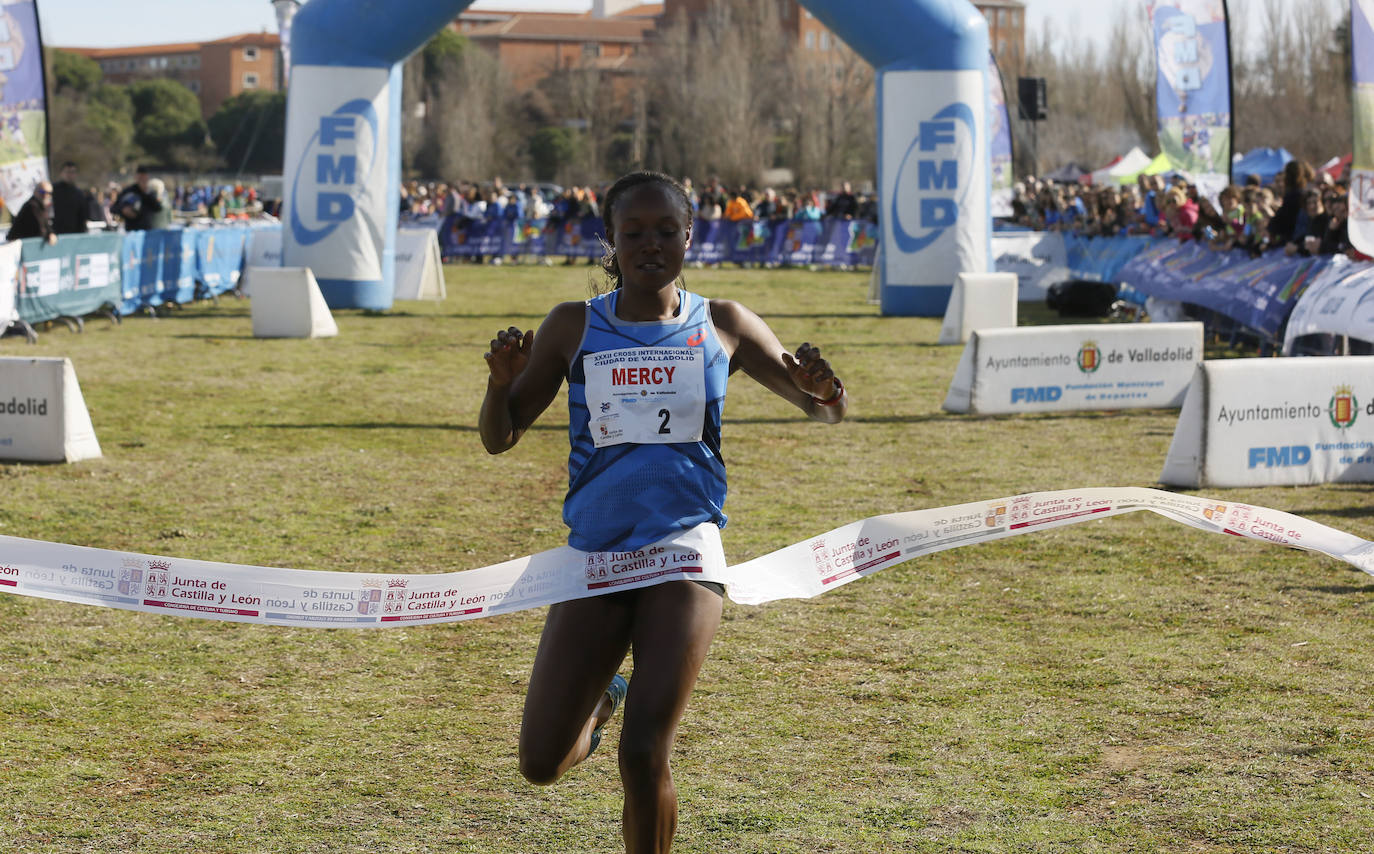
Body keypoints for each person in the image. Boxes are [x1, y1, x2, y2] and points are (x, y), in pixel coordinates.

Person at [479, 170, 847, 854]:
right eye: (633, 233)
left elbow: (821, 406)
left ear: (689, 236)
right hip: (597, 555)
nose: (651, 244)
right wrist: (500, 387)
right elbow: (500, 439)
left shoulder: (723, 323)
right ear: (611, 243)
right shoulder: (573, 325)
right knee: (539, 762)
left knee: (644, 752)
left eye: (665, 232)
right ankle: (607, 693)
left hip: (685, 551)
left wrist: (822, 391)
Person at [117, 166, 165, 231]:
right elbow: (115, 207)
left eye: (144, 177)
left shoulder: (150, 192)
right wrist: (123, 210)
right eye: (140, 177)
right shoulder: (129, 191)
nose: (142, 180)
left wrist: (146, 194)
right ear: (136, 177)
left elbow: (158, 208)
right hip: (131, 230)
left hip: (147, 231)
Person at [50, 161, 89, 234]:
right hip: (56, 233)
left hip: (74, 234)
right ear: (61, 173)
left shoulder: (79, 194)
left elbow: (82, 216)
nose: (70, 175)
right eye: (67, 172)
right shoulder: (52, 190)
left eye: (72, 172)